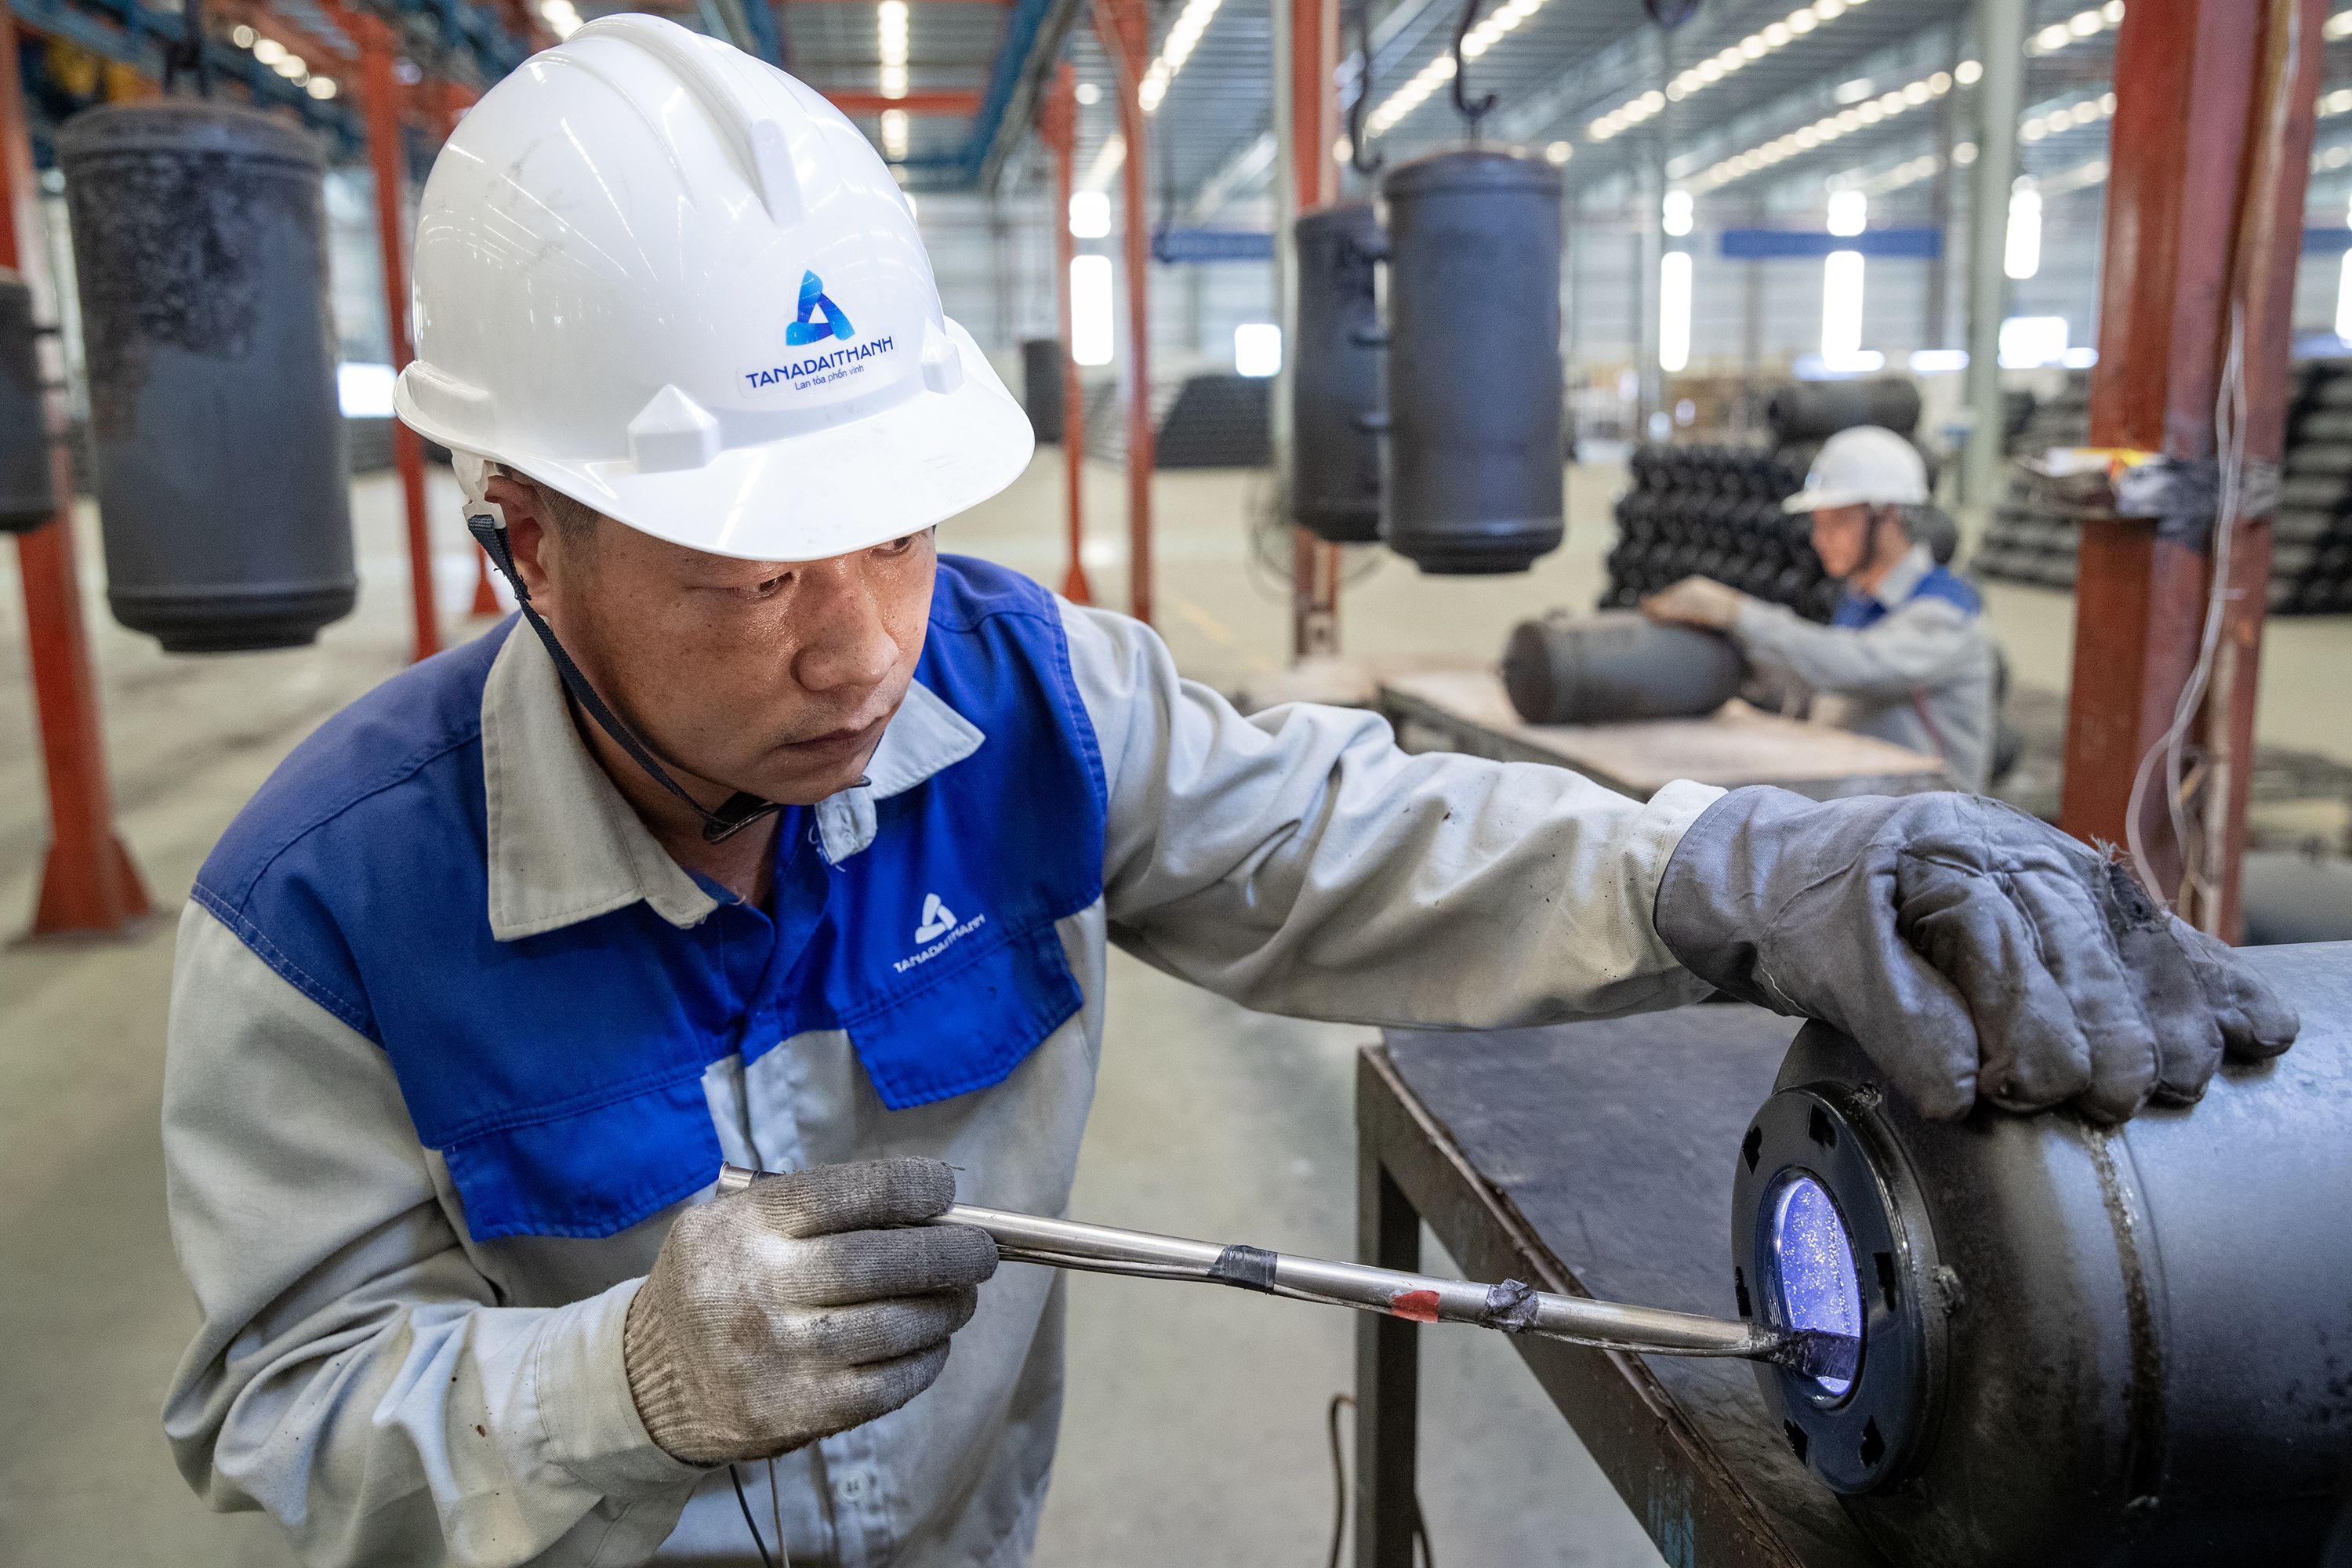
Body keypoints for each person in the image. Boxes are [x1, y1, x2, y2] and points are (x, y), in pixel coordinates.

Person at [159, 20, 2296, 1568]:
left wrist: (1735, 867)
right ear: (525, 536)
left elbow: (1345, 834)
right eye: (751, 576)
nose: (862, 646)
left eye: (897, 530)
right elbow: (284, 1411)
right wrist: (623, 1386)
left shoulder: (1028, 699)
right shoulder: (323, 908)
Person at [1642, 426, 1999, 789]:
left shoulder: (1944, 610)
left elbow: (1857, 667)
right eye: (1818, 523)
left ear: (1888, 516)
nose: (1819, 539)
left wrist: (1738, 613)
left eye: (1837, 522)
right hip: (1867, 801)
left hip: (1935, 815)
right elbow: (1830, 686)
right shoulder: (1863, 600)